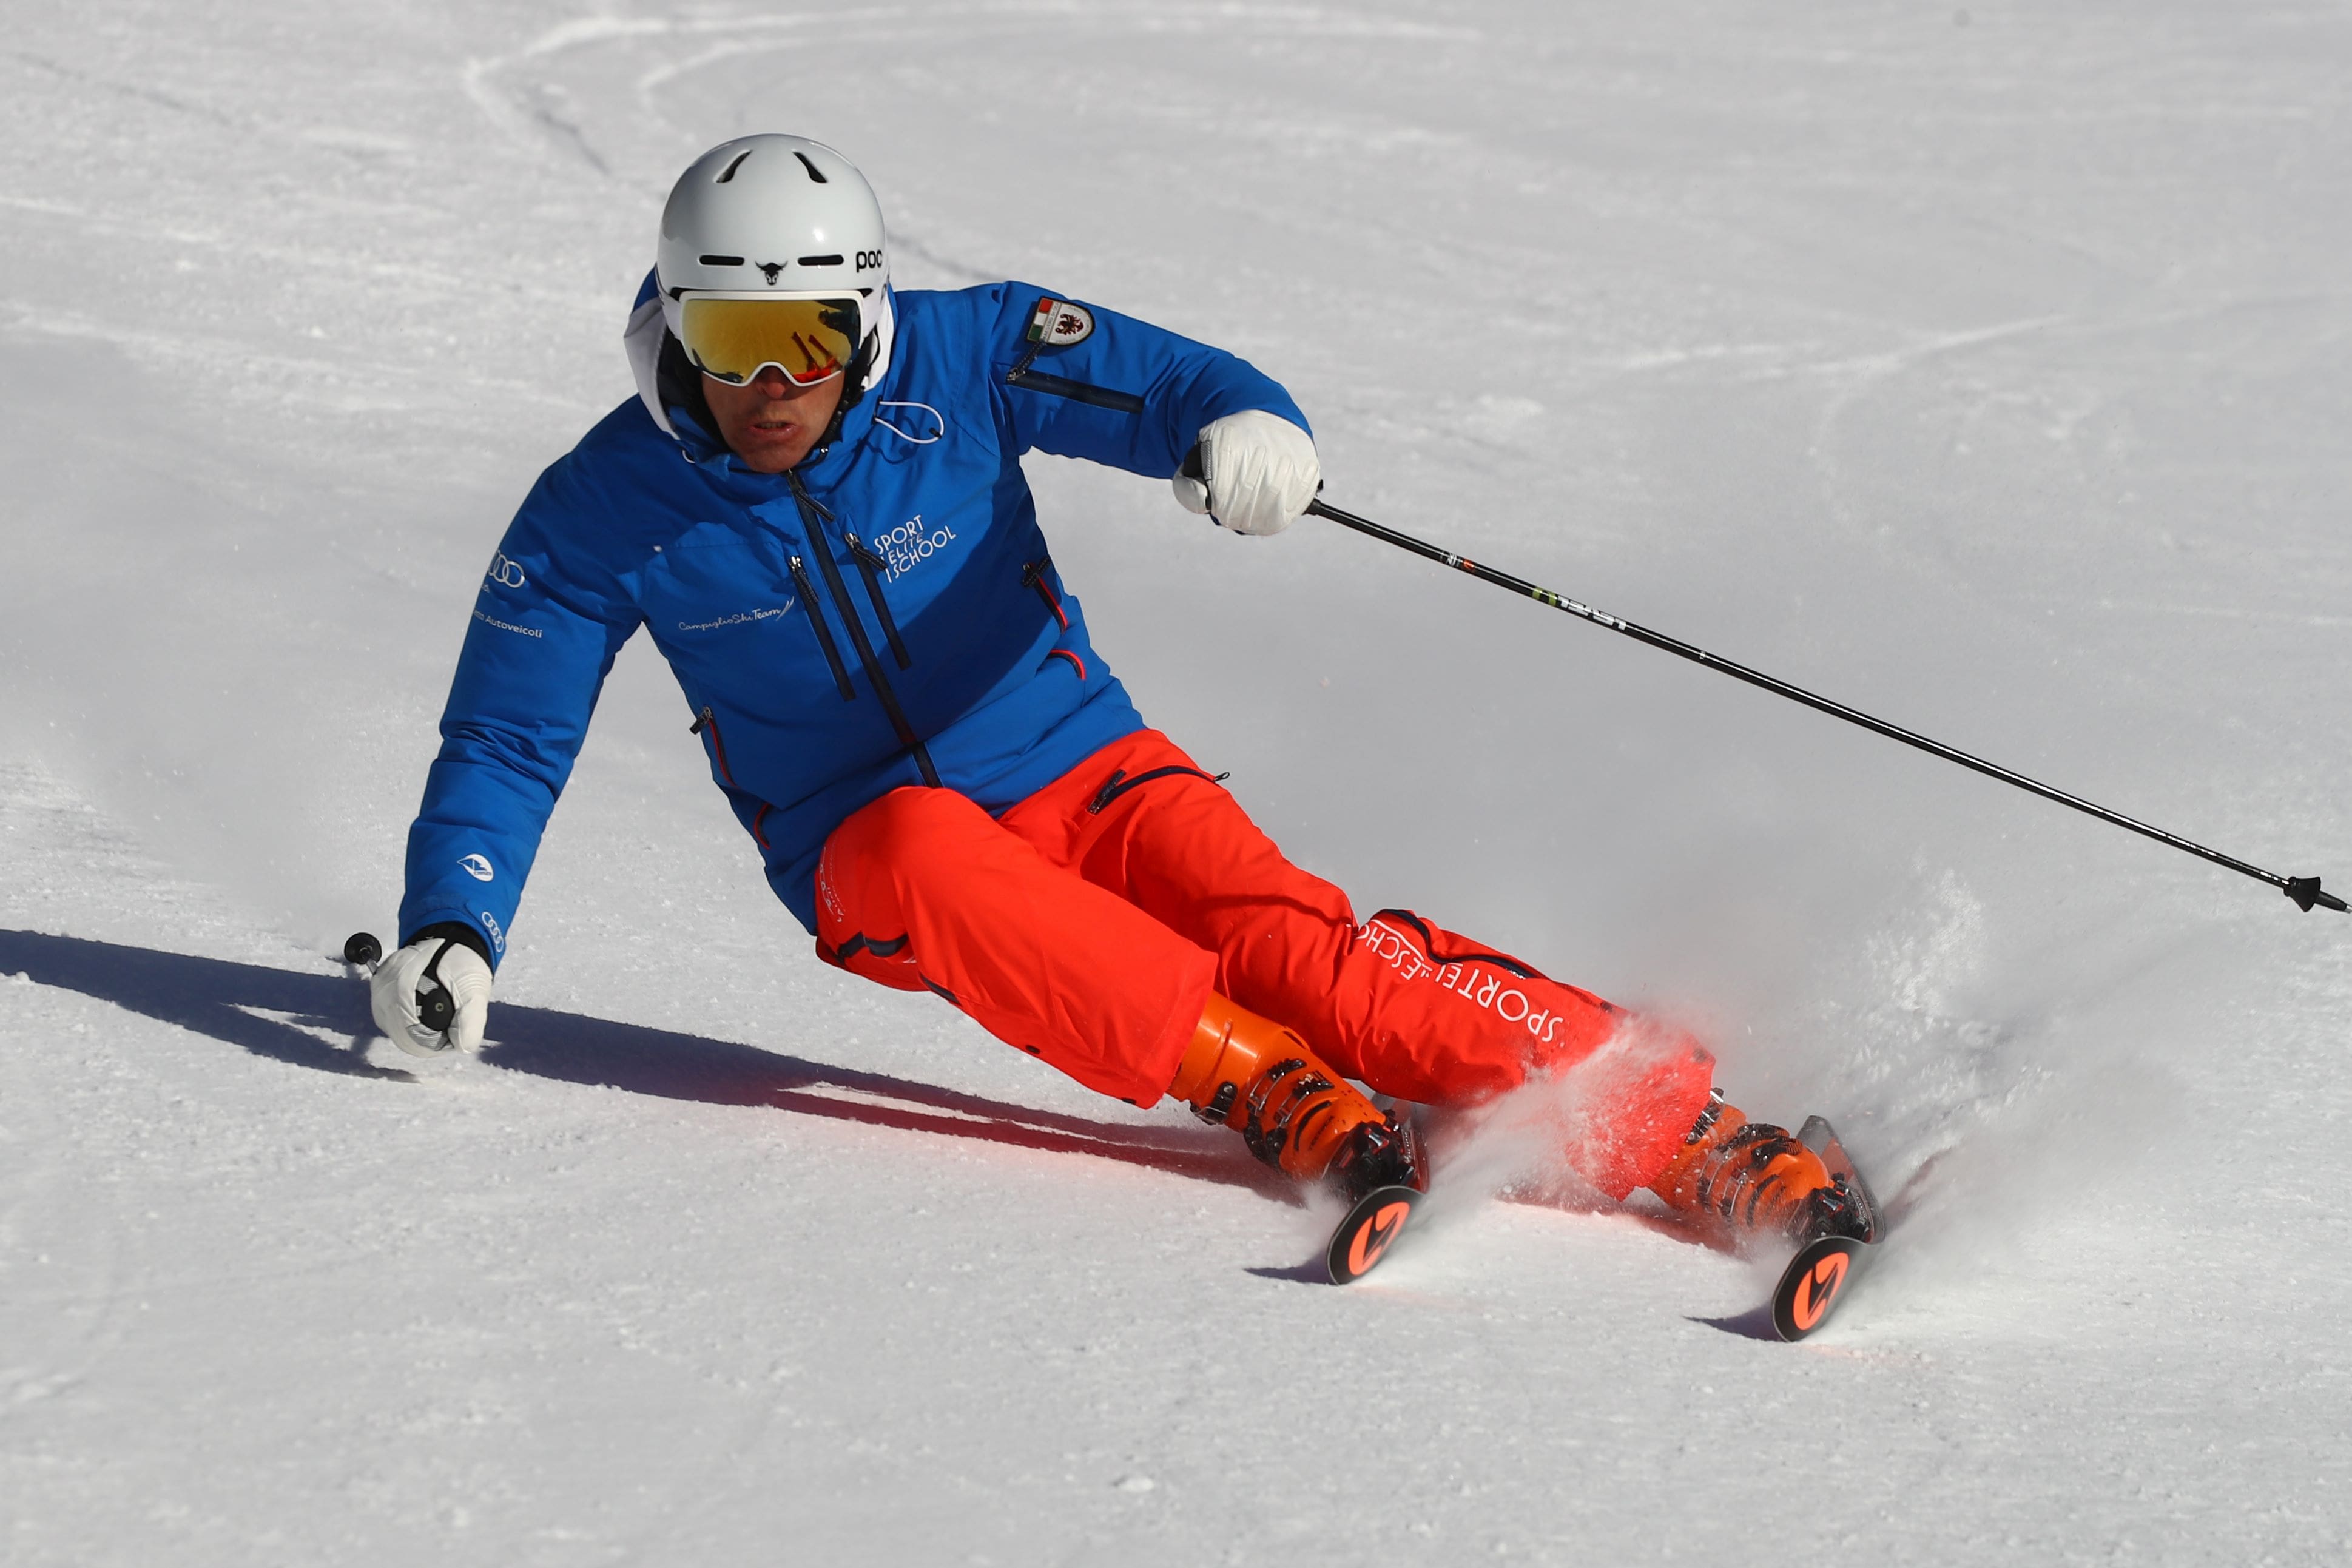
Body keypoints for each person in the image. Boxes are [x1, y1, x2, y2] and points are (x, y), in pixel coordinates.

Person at [371, 133, 1852, 1245]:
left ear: (865, 319)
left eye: (809, 338)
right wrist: (456, 919)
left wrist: (1247, 427)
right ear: (675, 328)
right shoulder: (599, 508)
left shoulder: (963, 357)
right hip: (869, 851)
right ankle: (1268, 1089)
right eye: (732, 343)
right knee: (916, 845)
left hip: (1087, 766)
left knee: (1307, 954)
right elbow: (507, 730)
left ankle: (1698, 1134)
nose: (773, 384)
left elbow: (1162, 385)